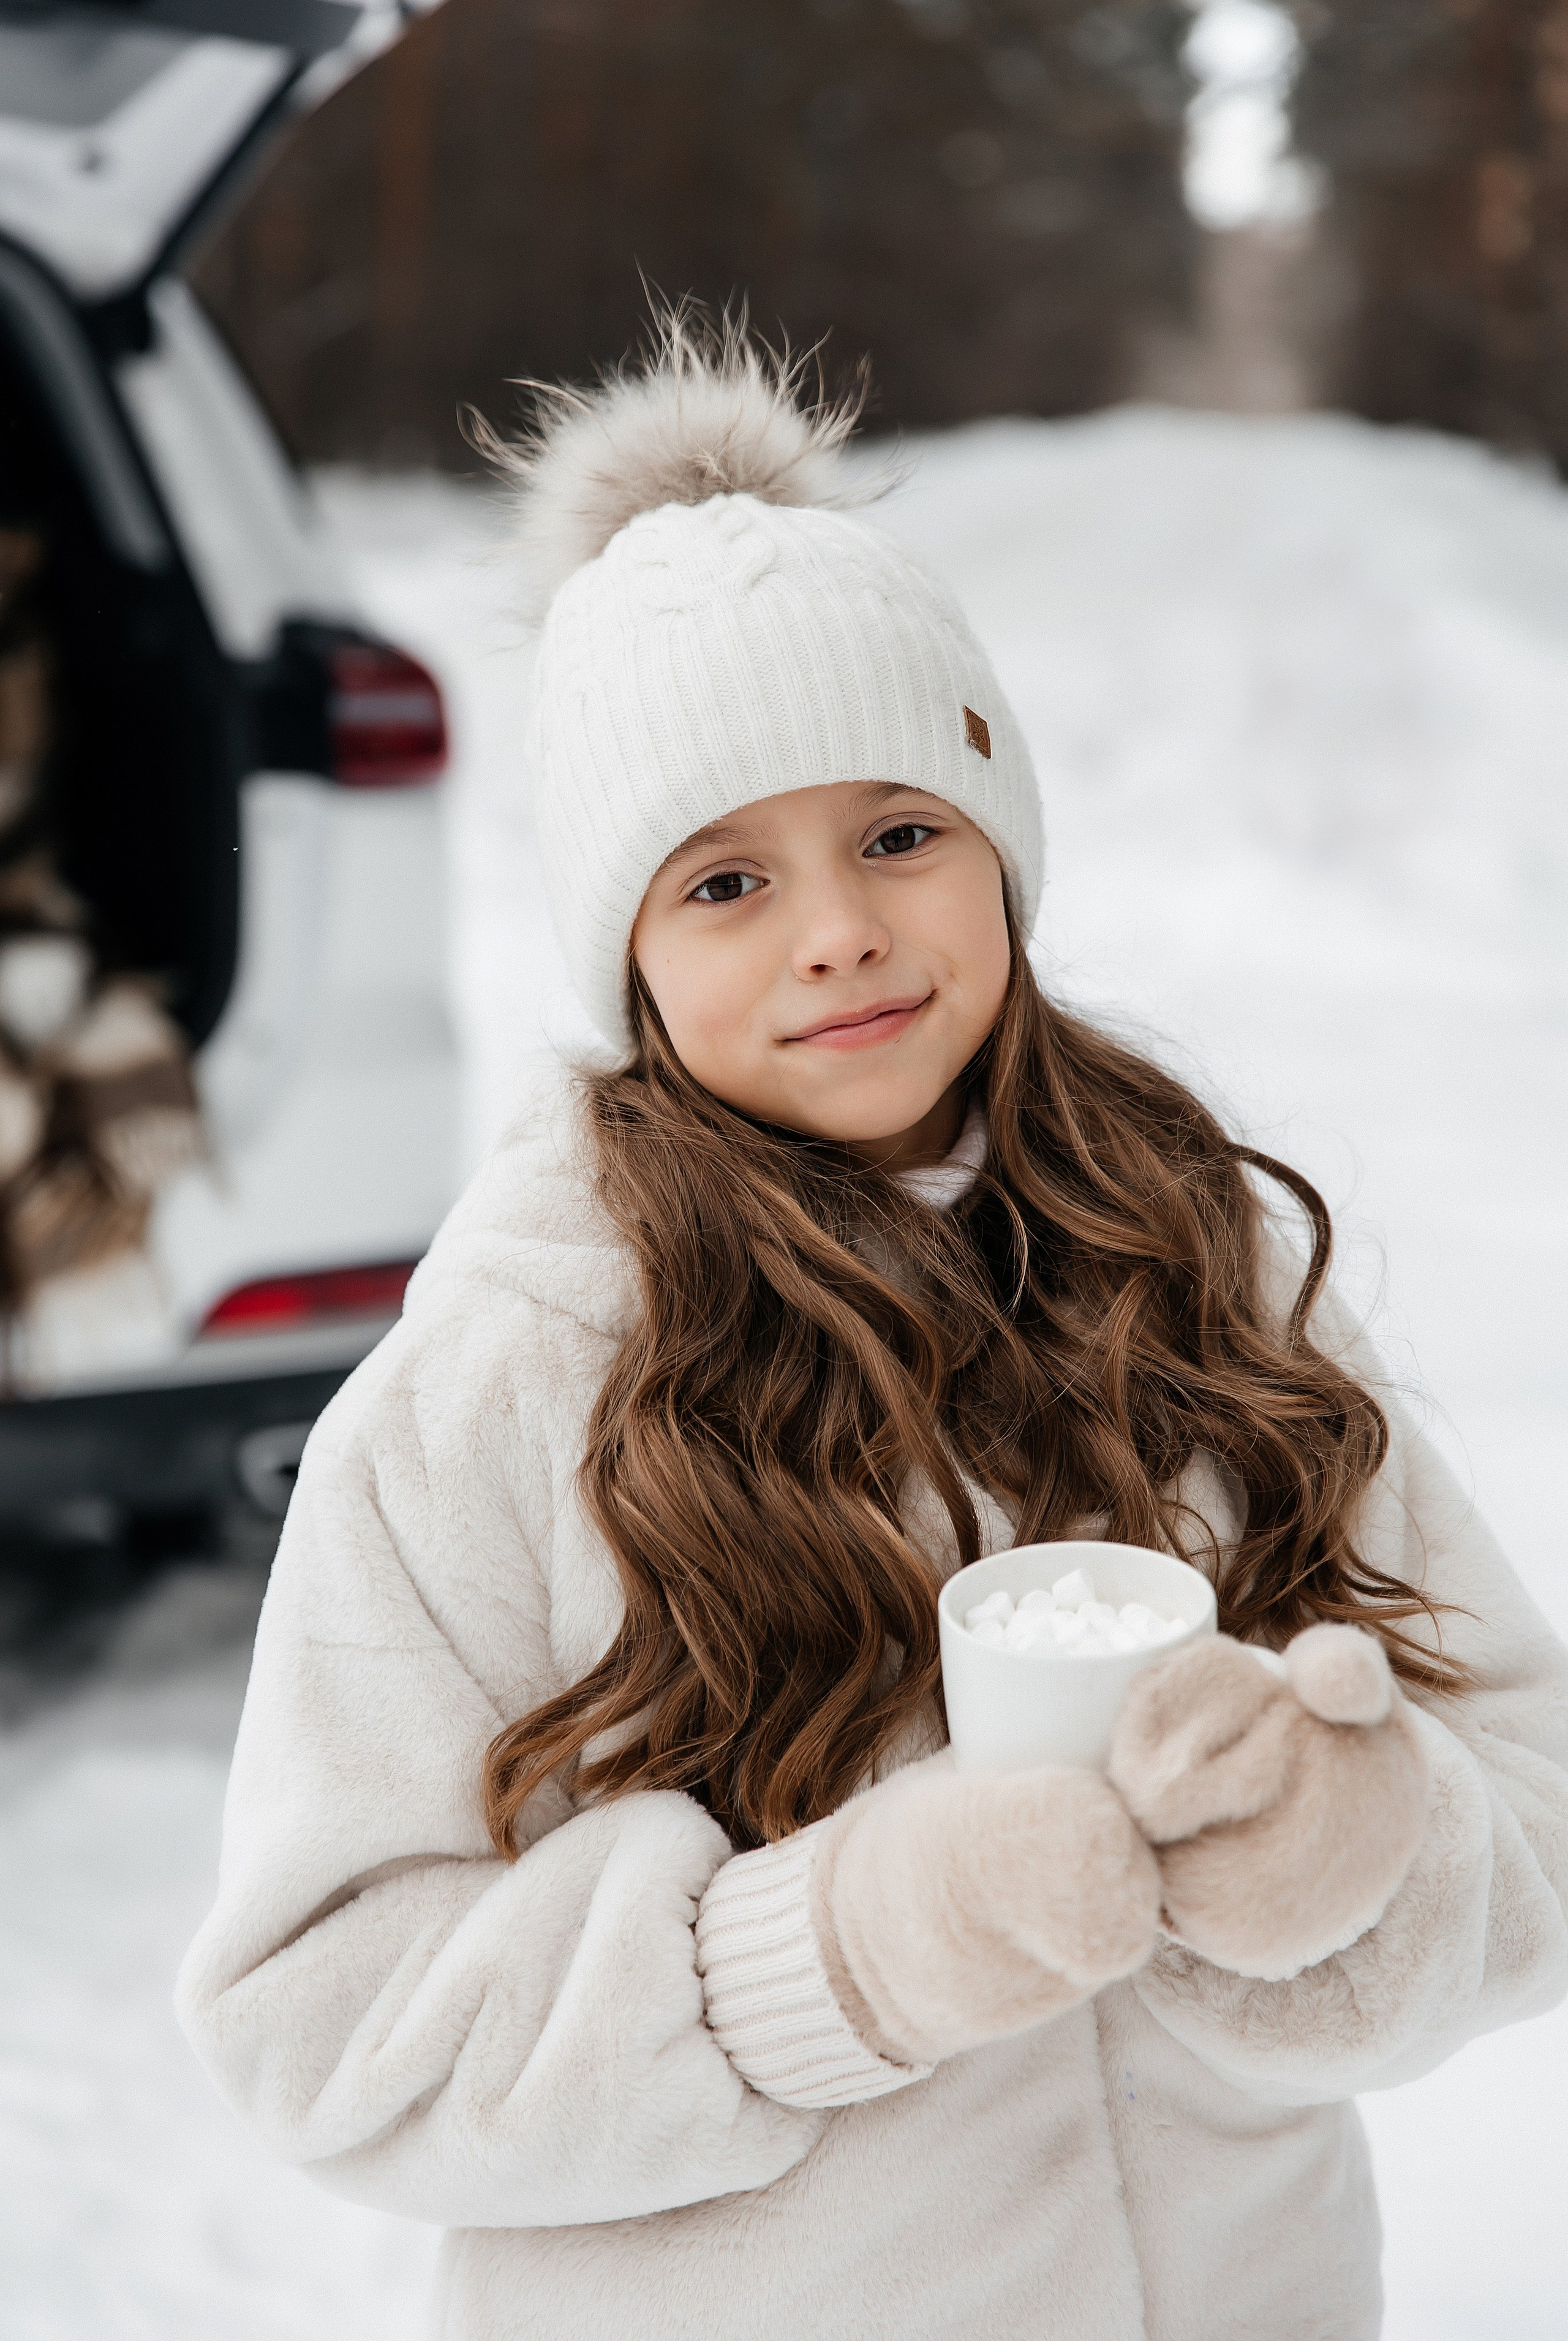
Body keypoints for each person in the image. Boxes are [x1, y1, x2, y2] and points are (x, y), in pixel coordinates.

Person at [178, 314, 1568, 2341]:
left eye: (901, 833)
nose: (837, 927)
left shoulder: (1191, 1260)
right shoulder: (508, 1378)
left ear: (1002, 852)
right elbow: (327, 2020)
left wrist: (1355, 1870)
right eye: (725, 880)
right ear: (626, 953)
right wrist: (831, 1958)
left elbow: (1523, 1779)